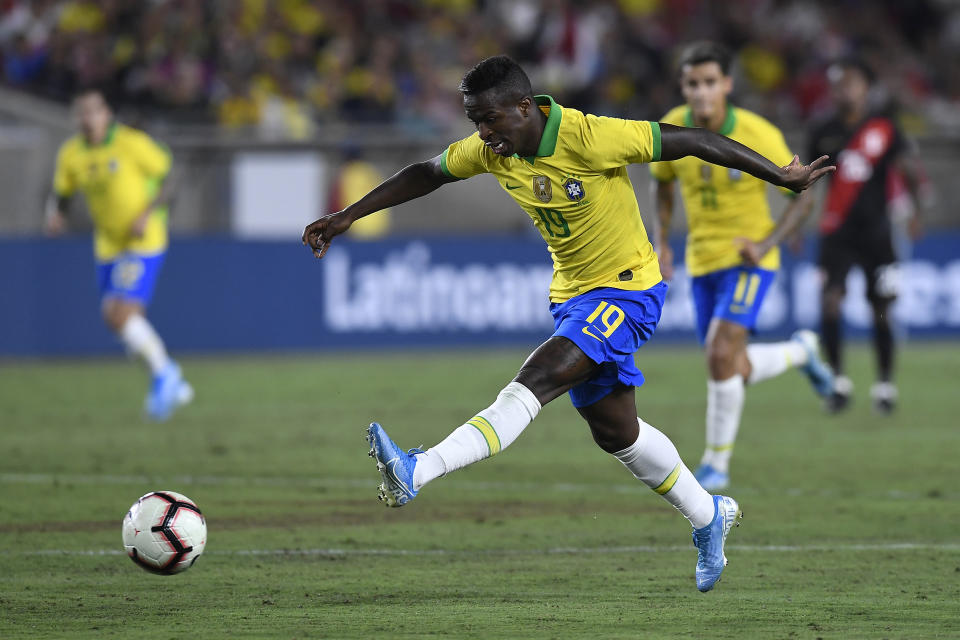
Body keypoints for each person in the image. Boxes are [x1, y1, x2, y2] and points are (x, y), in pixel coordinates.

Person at [302, 55, 833, 592]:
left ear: (524, 107)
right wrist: (349, 215)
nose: (483, 133)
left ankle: (418, 470)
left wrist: (779, 176)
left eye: (490, 119)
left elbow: (691, 139)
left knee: (537, 379)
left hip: (628, 291)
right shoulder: (493, 151)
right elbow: (428, 172)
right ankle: (707, 515)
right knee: (617, 433)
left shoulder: (589, 136)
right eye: (474, 123)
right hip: (573, 298)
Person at [648, 42, 835, 491]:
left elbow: (801, 192)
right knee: (730, 366)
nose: (701, 92)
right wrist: (662, 244)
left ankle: (716, 464)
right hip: (702, 260)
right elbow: (663, 186)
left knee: (718, 355)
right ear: (683, 87)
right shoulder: (670, 126)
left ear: (727, 85)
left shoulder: (758, 132)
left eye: (710, 82)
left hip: (751, 260)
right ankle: (801, 352)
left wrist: (767, 241)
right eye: (693, 83)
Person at [45, 87, 192, 421]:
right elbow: (62, 191)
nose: (87, 118)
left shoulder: (131, 142)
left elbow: (171, 174)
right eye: (81, 112)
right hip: (107, 245)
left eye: (93, 111)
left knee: (119, 314)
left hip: (142, 239)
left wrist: (148, 213)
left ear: (106, 114)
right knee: (120, 319)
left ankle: (166, 374)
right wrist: (57, 214)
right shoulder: (71, 154)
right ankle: (172, 380)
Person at [808, 58, 929, 415]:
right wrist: (799, 223)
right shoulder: (823, 130)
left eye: (851, 82)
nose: (843, 89)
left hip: (878, 232)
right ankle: (838, 382)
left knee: (881, 309)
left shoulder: (884, 127)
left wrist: (916, 213)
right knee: (830, 301)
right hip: (837, 232)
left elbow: (907, 169)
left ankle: (885, 385)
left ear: (865, 86)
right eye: (838, 83)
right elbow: (808, 182)